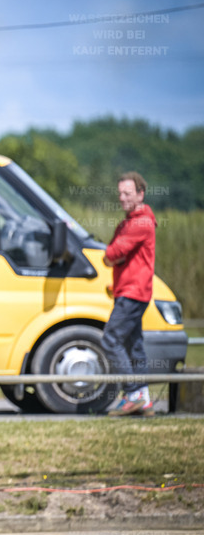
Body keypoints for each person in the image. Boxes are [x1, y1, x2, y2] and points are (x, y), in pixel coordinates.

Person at [104, 171, 157, 416]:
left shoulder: (142, 222)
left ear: (140, 194)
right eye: (120, 193)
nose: (122, 197)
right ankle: (144, 400)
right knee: (134, 345)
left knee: (110, 339)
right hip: (129, 291)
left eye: (127, 193)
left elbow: (113, 253)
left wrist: (111, 256)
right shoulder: (128, 222)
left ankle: (132, 393)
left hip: (134, 293)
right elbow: (116, 254)